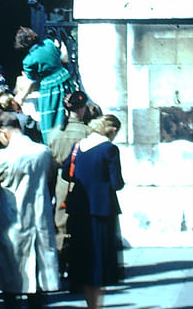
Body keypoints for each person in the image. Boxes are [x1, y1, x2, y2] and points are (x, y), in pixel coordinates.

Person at [0, 111, 60, 309]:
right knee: (38, 270)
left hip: (11, 215)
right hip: (40, 213)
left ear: (2, 131)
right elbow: (51, 177)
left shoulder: (2, 156)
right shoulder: (43, 151)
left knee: (10, 271)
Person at [62, 114, 124, 309]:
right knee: (100, 262)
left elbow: (66, 173)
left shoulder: (78, 146)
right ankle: (97, 307)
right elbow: (117, 183)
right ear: (112, 131)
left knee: (85, 259)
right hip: (102, 210)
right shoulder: (109, 149)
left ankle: (90, 305)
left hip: (80, 209)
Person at [46, 91, 98, 270]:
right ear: (82, 109)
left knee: (61, 224)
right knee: (82, 225)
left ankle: (60, 264)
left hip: (62, 181)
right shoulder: (88, 133)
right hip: (83, 182)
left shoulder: (54, 133)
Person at [14, 26, 75, 143]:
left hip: (49, 88)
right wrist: (62, 43)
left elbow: (30, 82)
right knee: (69, 113)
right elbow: (65, 58)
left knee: (51, 119)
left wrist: (21, 98)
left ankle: (53, 145)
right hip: (65, 80)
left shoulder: (28, 60)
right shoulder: (49, 43)